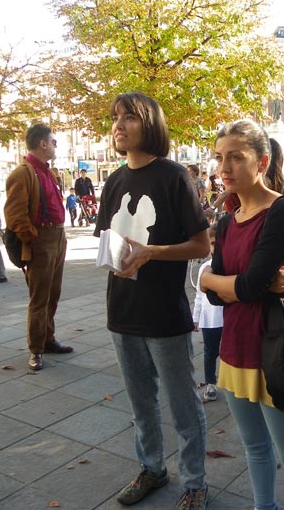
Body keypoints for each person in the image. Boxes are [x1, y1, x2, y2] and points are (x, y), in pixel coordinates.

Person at [94, 92, 210, 510]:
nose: (118, 125)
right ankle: (152, 468)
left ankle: (195, 483)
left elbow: (201, 245)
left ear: (150, 124)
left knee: (183, 405)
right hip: (121, 309)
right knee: (140, 403)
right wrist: (116, 258)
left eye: (129, 117)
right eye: (115, 118)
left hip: (163, 312)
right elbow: (108, 240)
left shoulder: (174, 177)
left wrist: (152, 253)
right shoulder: (113, 181)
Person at [200, 119, 284, 510]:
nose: (224, 167)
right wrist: (213, 281)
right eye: (220, 158)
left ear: (262, 161)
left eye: (236, 157)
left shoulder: (281, 210)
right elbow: (218, 297)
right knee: (255, 449)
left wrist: (213, 279)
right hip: (235, 350)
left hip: (276, 353)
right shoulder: (226, 222)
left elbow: (247, 287)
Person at [5, 124, 74, 372]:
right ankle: (36, 349)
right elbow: (14, 215)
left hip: (57, 236)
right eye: (53, 142)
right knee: (39, 298)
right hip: (41, 239)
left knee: (53, 294)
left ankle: (48, 339)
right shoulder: (22, 173)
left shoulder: (47, 171)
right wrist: (33, 238)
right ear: (43, 144)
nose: (55, 146)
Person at [192, 224, 223, 402]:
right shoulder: (205, 267)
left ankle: (229, 382)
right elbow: (199, 295)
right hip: (210, 319)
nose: (216, 248)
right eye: (212, 243)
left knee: (229, 353)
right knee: (210, 352)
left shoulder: (233, 265)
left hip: (229, 319)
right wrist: (195, 317)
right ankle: (211, 383)